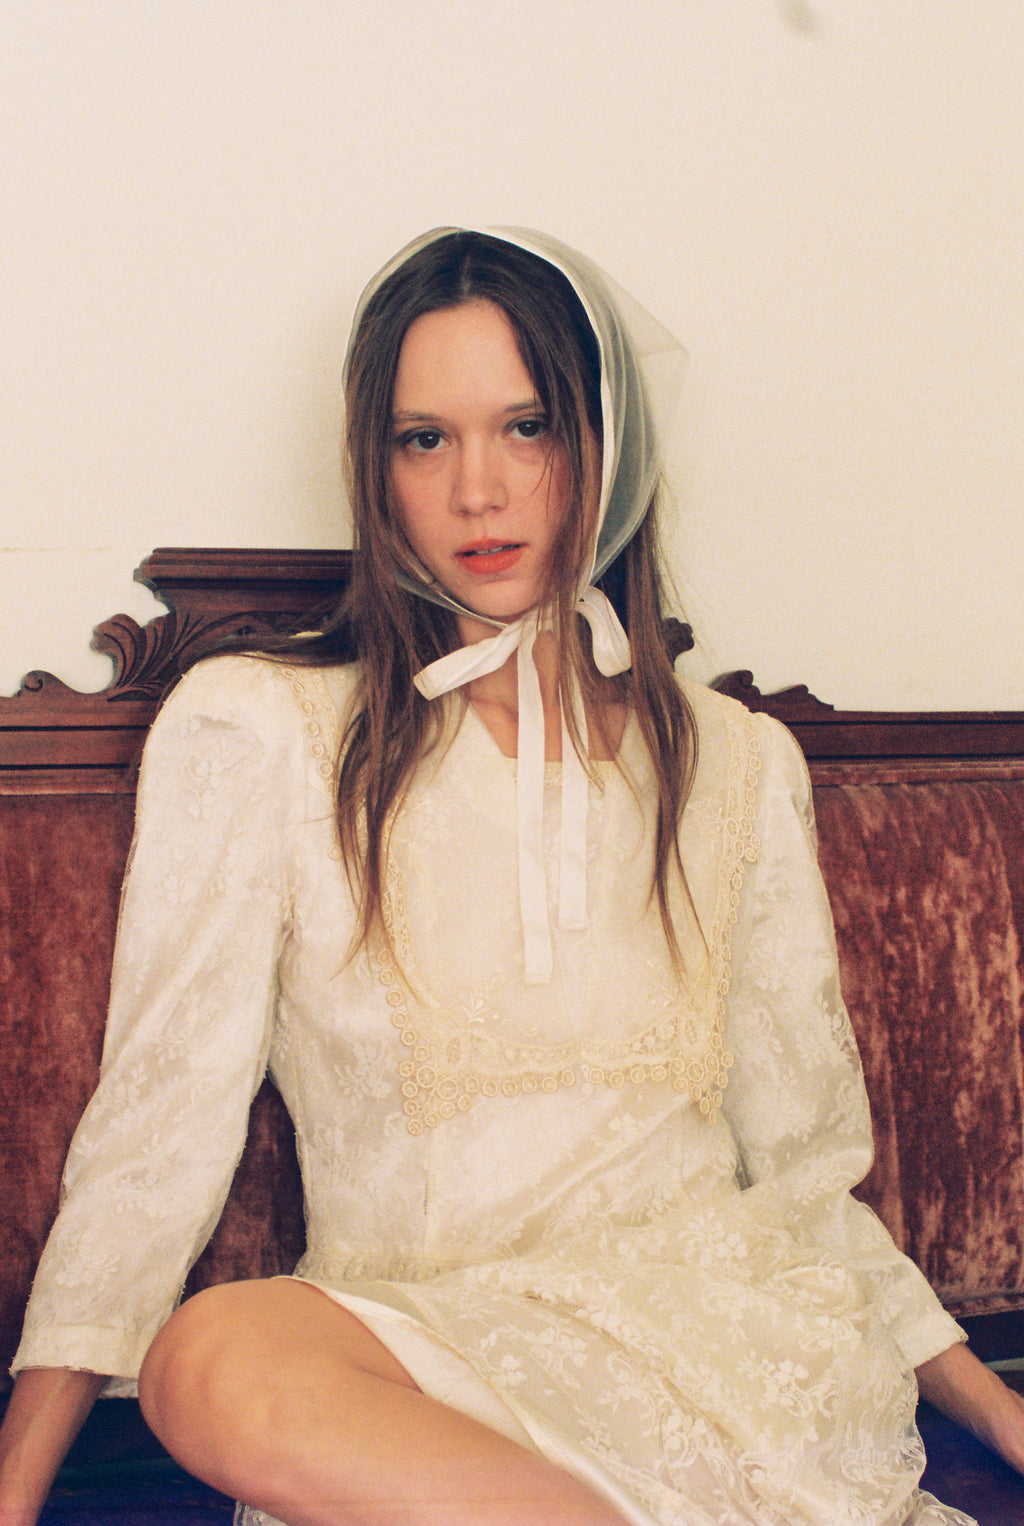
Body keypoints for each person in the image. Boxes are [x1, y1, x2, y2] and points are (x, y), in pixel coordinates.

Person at [1, 228, 1022, 1526]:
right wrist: (14, 1490)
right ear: (375, 467)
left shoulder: (737, 764)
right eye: (424, 438)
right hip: (424, 1391)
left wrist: (987, 1404)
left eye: (525, 426)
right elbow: (155, 1134)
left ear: (601, 443)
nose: (479, 489)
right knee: (213, 1355)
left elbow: (811, 1171)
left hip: (720, 1359)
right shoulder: (259, 729)